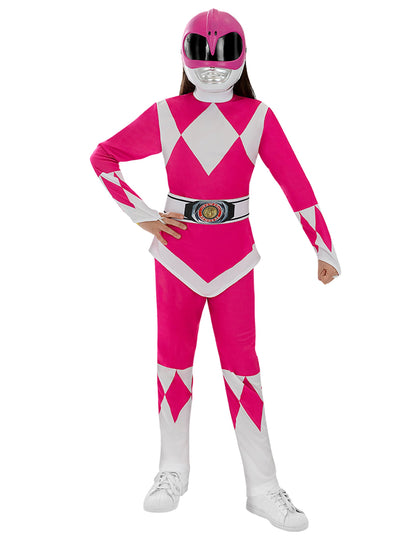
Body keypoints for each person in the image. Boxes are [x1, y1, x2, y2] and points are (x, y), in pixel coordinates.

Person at [90, 8, 340, 532]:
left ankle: (263, 487)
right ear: (185, 55)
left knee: (243, 370)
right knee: (172, 365)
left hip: (235, 262)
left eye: (223, 54)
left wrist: (324, 248)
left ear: (241, 56)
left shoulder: (258, 116)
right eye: (201, 54)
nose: (211, 67)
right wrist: (142, 215)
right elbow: (104, 156)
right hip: (176, 259)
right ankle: (172, 470)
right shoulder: (166, 112)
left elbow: (295, 183)